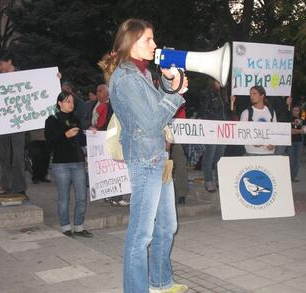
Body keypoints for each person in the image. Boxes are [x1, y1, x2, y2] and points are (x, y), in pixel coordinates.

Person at [100, 18, 188, 293]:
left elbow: (154, 107)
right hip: (145, 160)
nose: (155, 44)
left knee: (166, 226)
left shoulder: (142, 73)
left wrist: (167, 82)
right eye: (148, 40)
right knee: (141, 234)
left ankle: (161, 282)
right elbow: (151, 122)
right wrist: (177, 94)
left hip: (157, 158)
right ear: (131, 42)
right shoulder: (125, 77)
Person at [45, 91, 93, 238]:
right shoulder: (52, 120)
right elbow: (49, 143)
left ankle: (79, 227)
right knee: (64, 197)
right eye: (67, 101)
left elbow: (82, 141)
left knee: (81, 197)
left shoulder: (76, 119)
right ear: (59, 103)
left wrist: (91, 133)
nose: (71, 104)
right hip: (61, 164)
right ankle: (65, 226)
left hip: (78, 162)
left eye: (72, 101)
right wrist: (65, 135)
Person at [0, 50, 28, 198]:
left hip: (19, 123)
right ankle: (5, 185)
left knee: (18, 156)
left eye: (0, 64)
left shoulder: (23, 77)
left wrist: (54, 78)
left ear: (9, 61)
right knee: (1, 155)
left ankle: (19, 188)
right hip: (1, 124)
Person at [92, 84, 130, 207]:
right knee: (114, 168)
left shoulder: (109, 106)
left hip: (109, 139)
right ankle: (115, 195)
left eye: (99, 91)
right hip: (110, 140)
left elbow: (102, 123)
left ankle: (113, 195)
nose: (97, 93)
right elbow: (102, 123)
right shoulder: (105, 106)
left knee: (114, 169)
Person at [199, 78, 228, 192]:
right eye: (218, 80)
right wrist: (209, 127)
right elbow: (203, 111)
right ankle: (208, 180)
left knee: (219, 157)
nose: (221, 82)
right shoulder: (208, 94)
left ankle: (219, 179)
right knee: (210, 156)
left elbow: (226, 113)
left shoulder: (223, 94)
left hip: (223, 130)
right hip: (212, 129)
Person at [239, 85, 277, 155]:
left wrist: (274, 144)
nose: (251, 96)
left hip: (269, 153)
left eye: (254, 93)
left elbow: (275, 131)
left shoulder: (271, 111)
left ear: (262, 96)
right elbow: (241, 134)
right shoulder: (246, 112)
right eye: (250, 94)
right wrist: (252, 142)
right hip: (252, 152)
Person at [287, 105, 306, 182]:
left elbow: (304, 131)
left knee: (297, 160)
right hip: (290, 142)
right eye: (294, 110)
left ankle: (294, 176)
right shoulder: (288, 119)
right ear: (292, 111)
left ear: (299, 111)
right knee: (291, 159)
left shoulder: (302, 120)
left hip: (299, 142)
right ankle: (289, 176)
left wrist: (294, 131)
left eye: (297, 110)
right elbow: (289, 131)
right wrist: (299, 131)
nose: (295, 112)